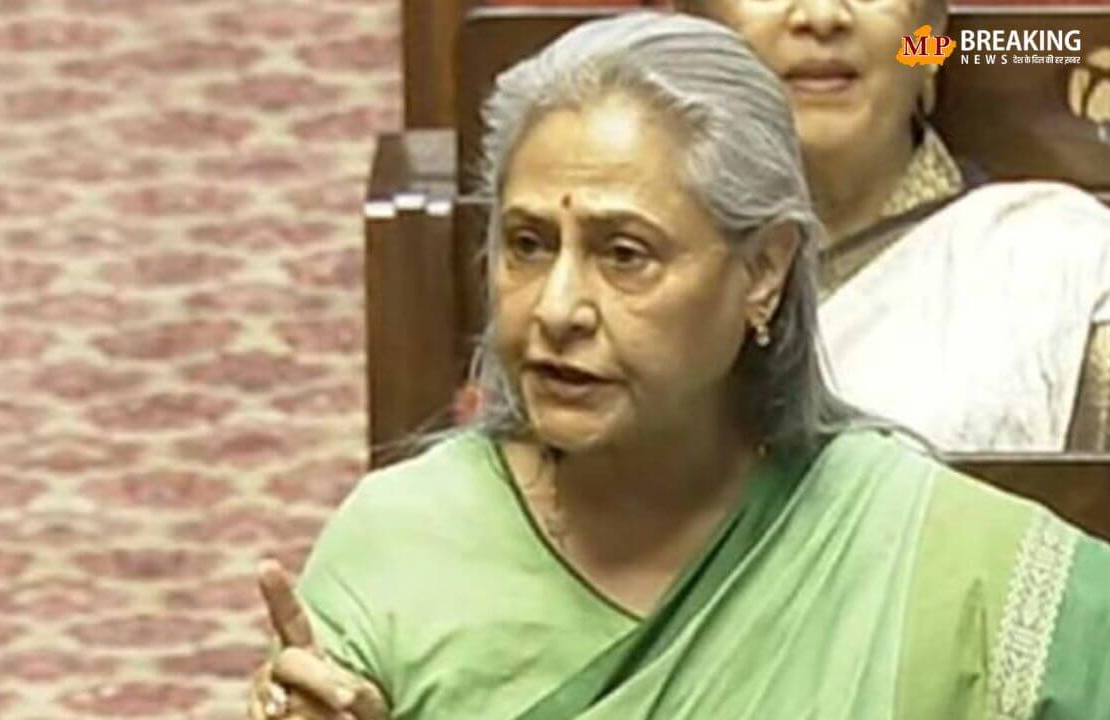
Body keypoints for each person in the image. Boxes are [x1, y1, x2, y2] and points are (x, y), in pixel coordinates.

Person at [248, 13, 1110, 720]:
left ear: (764, 270)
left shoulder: (928, 550)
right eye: (527, 245)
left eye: (625, 254)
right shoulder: (399, 548)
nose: (556, 308)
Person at [678, 0, 1110, 452]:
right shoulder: (641, 274)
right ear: (692, 26)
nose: (823, 16)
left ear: (930, 44)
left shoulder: (1057, 260)